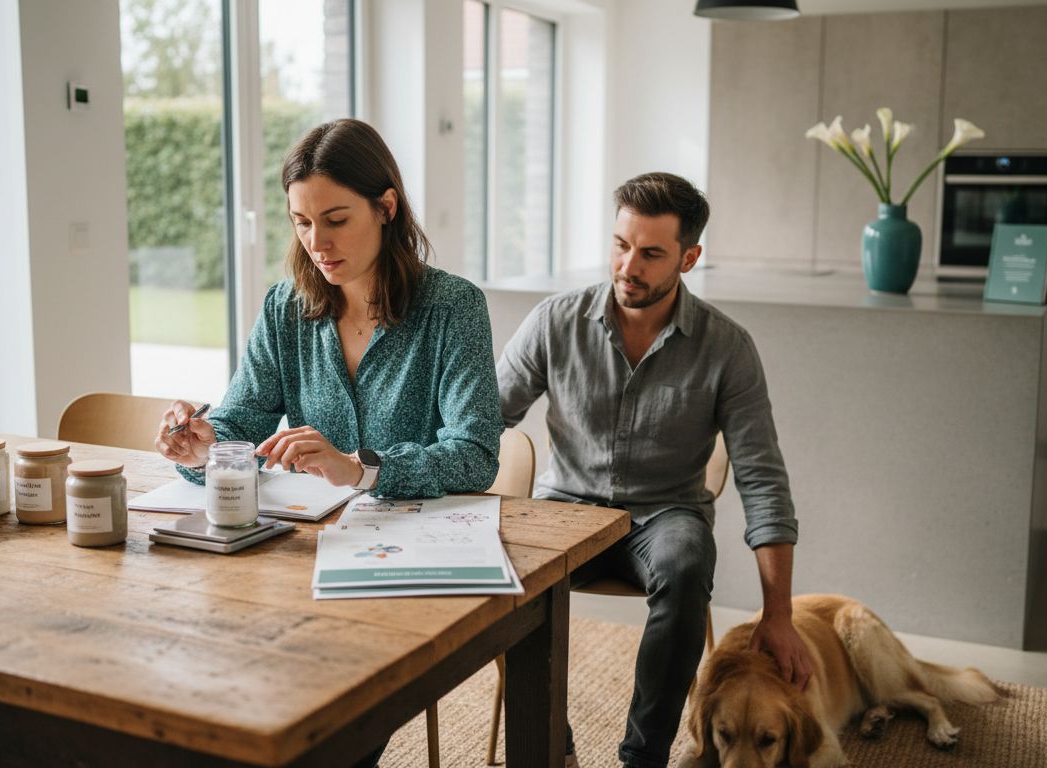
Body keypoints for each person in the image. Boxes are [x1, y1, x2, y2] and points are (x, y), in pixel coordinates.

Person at [155, 118, 504, 766]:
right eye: (302, 222)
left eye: (336, 219)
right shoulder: (285, 308)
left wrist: (362, 469)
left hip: (404, 561)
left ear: (386, 207)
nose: (317, 242)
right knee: (205, 682)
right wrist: (206, 449)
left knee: (322, 725)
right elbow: (241, 419)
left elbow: (476, 453)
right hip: (297, 557)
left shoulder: (452, 308)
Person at [496, 172, 813, 768]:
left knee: (686, 563)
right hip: (567, 506)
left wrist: (779, 613)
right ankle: (551, 748)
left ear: (689, 257)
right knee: (507, 566)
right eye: (621, 245)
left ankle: (643, 760)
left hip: (668, 513)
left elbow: (763, 481)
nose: (628, 266)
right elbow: (485, 420)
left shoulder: (728, 348)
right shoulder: (554, 322)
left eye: (651, 253)